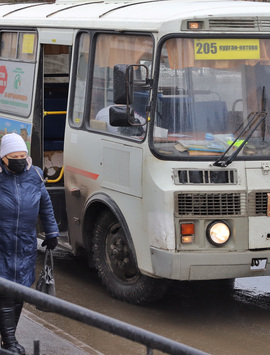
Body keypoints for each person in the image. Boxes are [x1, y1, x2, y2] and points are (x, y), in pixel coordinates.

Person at [0, 133, 59, 354]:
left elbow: (45, 204)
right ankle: (10, 341)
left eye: (22, 155)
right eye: (14, 156)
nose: (19, 159)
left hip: (25, 244)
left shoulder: (34, 175)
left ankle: (8, 338)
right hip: (2, 243)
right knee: (6, 293)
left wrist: (52, 232)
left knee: (20, 293)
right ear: (4, 158)